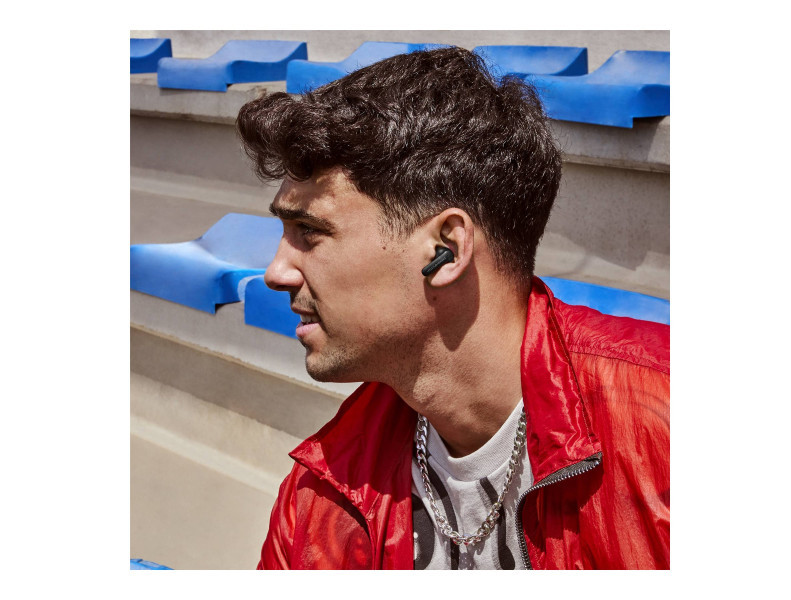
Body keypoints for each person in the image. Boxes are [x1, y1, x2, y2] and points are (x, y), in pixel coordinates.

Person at [235, 46, 669, 570]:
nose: (276, 272)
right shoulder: (319, 502)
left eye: (309, 231)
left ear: (446, 249)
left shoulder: (665, 426)